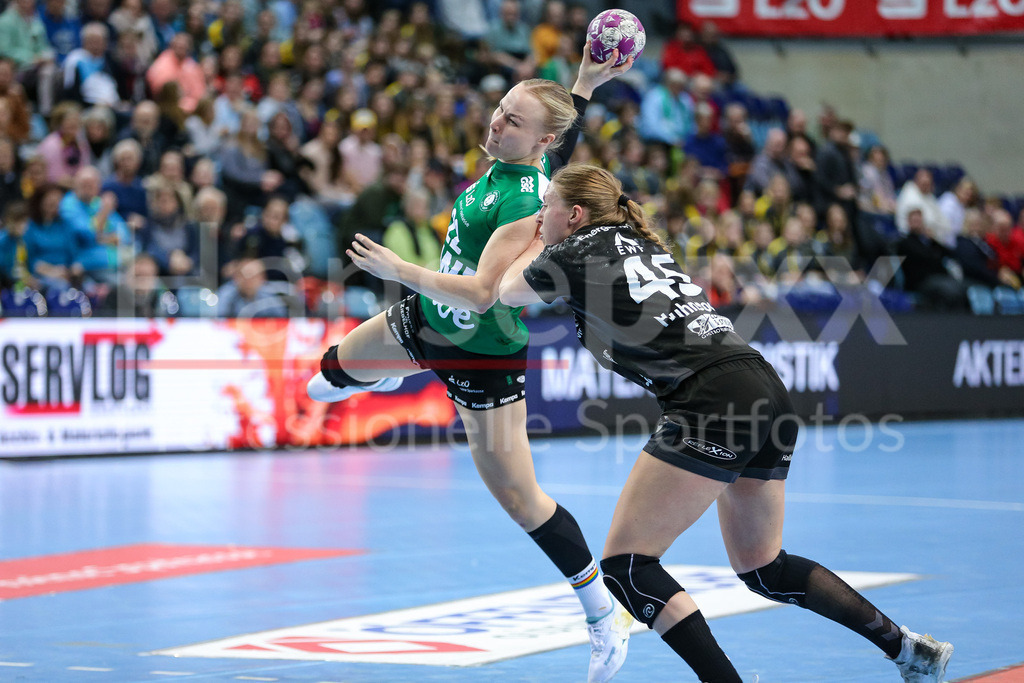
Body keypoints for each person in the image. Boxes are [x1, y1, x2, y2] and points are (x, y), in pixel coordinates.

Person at [482, 164, 950, 682]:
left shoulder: (572, 251)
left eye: (545, 206)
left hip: (711, 401)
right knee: (765, 568)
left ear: (574, 214)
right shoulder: (640, 242)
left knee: (628, 567)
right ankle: (910, 650)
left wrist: (521, 234)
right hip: (762, 385)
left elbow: (503, 290)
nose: (538, 215)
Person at [309, 46, 636, 683]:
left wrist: (398, 269)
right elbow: (560, 144)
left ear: (539, 141)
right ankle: (381, 374)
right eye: (500, 109)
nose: (496, 122)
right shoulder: (528, 161)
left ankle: (604, 615)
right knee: (328, 376)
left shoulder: (525, 203)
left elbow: (484, 294)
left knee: (521, 500)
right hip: (426, 319)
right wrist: (584, 82)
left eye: (512, 120)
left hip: (481, 356)